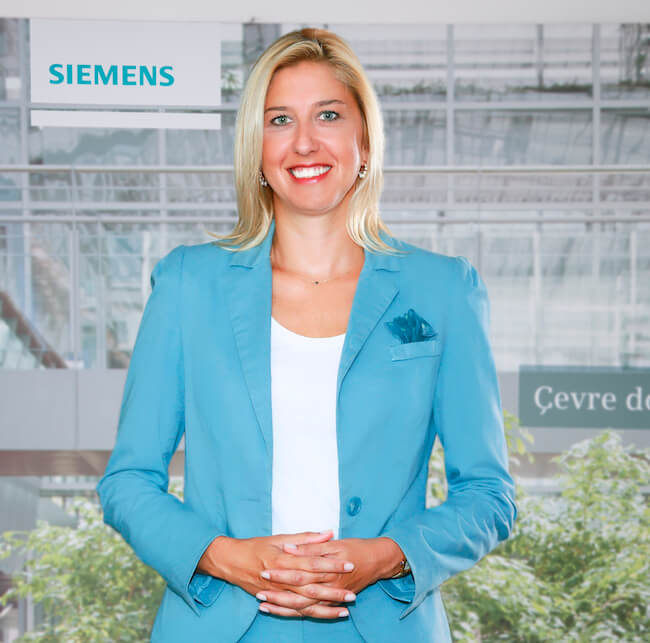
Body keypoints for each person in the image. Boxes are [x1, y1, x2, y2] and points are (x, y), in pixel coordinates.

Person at [97, 28, 517, 642]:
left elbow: (488, 494)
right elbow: (128, 482)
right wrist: (223, 557)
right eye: (279, 120)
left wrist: (385, 556)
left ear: (364, 141)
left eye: (328, 115)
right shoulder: (189, 283)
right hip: (220, 622)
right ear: (256, 149)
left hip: (382, 623)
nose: (304, 142)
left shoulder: (444, 290)